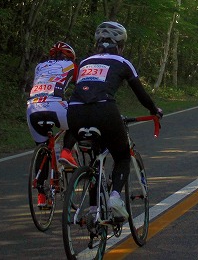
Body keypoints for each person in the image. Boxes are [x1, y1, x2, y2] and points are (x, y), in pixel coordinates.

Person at [59, 21, 162, 220]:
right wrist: (154, 110)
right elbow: (140, 94)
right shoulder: (122, 62)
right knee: (122, 155)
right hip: (104, 109)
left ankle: (92, 209)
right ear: (121, 45)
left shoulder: (86, 62)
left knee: (95, 159)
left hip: (75, 111)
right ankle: (114, 197)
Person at [26, 41, 78, 208]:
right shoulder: (72, 65)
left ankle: (42, 195)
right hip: (56, 104)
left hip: (33, 108)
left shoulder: (40, 66)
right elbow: (81, 87)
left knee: (42, 148)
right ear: (70, 56)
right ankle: (67, 152)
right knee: (77, 122)